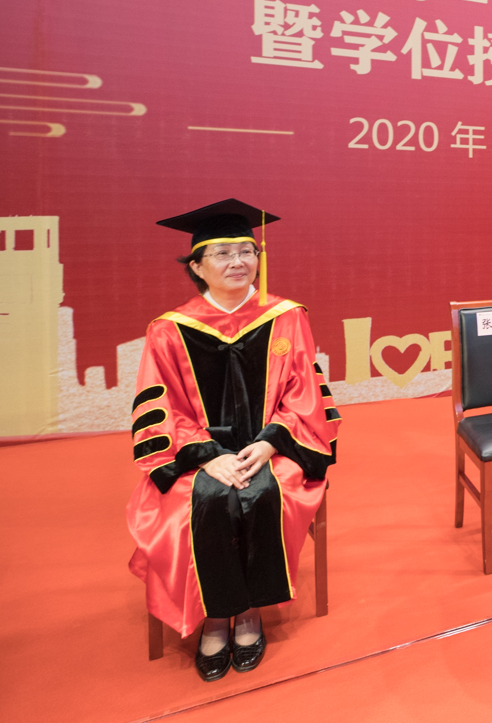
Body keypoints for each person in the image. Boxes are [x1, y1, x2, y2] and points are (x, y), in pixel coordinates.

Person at [126, 200, 339, 682]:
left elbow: (305, 392)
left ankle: (249, 613)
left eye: (247, 251)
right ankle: (217, 616)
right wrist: (206, 457)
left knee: (264, 492)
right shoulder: (168, 330)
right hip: (195, 452)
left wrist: (271, 442)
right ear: (197, 266)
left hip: (275, 446)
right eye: (222, 253)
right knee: (207, 498)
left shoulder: (287, 317)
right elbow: (161, 408)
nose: (238, 262)